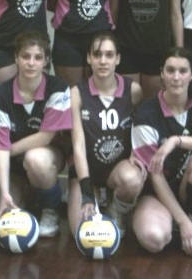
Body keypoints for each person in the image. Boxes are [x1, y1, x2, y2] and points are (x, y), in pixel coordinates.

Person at [131, 47, 192, 257]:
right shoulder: (146, 113)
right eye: (170, 70)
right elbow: (155, 175)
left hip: (190, 186)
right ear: (162, 73)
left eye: (183, 71)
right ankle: (177, 224)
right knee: (154, 239)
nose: (176, 77)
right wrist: (182, 222)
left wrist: (177, 141)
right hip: (156, 192)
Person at [0, 31, 72, 237]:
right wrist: (5, 193)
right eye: (26, 56)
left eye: (38, 57)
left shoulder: (58, 88)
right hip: (13, 164)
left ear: (46, 61)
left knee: (35, 159)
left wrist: (8, 150)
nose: (31, 63)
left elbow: (45, 137)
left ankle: (50, 209)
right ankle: (26, 196)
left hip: (47, 155)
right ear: (16, 58)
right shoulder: (1, 94)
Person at [68, 32, 144, 237]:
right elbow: (78, 146)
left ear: (117, 59)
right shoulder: (77, 93)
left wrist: (136, 154)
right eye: (97, 54)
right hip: (86, 171)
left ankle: (116, 209)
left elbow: (141, 130)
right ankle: (93, 195)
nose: (103, 61)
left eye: (109, 55)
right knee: (82, 233)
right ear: (89, 58)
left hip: (116, 170)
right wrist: (86, 194)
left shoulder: (133, 90)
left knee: (132, 178)